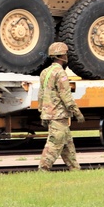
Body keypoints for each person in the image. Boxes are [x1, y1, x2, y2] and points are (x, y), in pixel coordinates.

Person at [37, 42, 84, 171]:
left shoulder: (45, 72)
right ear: (62, 56)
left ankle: (75, 169)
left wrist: (42, 112)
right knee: (55, 143)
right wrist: (77, 113)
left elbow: (40, 95)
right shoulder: (60, 73)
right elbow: (66, 97)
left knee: (67, 144)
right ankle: (43, 169)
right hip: (58, 114)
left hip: (49, 113)